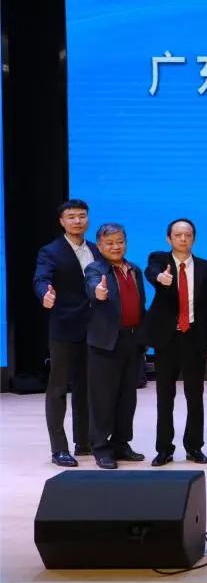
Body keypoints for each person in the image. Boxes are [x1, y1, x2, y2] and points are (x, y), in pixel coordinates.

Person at [145, 219, 207, 466]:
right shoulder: (159, 260)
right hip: (167, 339)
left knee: (194, 396)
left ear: (194, 238)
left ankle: (194, 447)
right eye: (177, 235)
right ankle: (164, 448)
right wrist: (160, 277)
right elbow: (151, 271)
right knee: (164, 396)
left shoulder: (206, 267)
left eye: (187, 234)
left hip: (195, 338)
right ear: (169, 238)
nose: (183, 239)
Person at [33, 199, 100, 467]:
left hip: (94, 328)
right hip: (64, 327)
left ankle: (84, 442)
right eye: (71, 217)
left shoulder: (96, 248)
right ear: (62, 221)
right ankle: (59, 448)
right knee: (58, 388)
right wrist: (44, 294)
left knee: (87, 387)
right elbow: (41, 279)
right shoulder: (50, 251)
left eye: (82, 216)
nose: (77, 221)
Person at [84, 224, 146, 469]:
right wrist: (98, 292)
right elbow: (92, 287)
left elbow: (140, 304)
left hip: (132, 341)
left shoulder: (134, 270)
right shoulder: (95, 269)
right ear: (99, 246)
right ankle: (101, 448)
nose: (115, 246)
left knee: (127, 397)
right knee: (103, 399)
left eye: (119, 241)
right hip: (106, 342)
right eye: (109, 243)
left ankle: (121, 443)